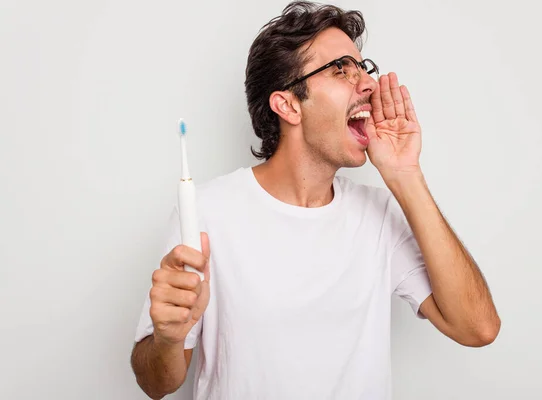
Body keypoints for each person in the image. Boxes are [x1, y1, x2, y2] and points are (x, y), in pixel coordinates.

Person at [130, 1, 501, 399]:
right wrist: (169, 339)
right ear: (288, 104)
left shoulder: (379, 215)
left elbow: (477, 328)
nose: (369, 85)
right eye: (342, 68)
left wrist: (405, 174)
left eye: (364, 68)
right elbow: (156, 383)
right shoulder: (207, 213)